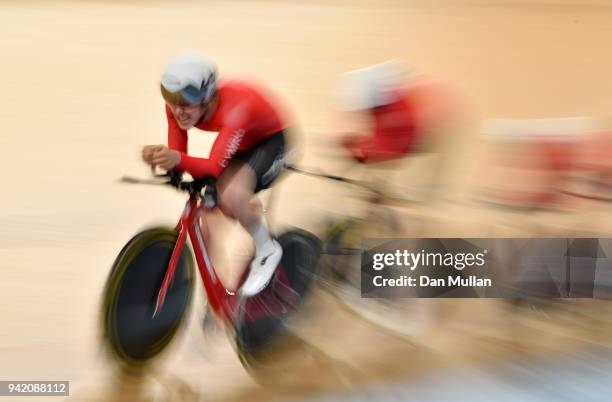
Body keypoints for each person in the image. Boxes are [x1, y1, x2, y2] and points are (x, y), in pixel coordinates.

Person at [141, 53, 291, 297]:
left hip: (275, 143)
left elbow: (211, 167)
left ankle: (268, 249)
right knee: (208, 224)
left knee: (232, 195)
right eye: (170, 97)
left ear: (208, 95)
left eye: (187, 99)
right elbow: (178, 155)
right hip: (241, 145)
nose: (179, 109)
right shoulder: (176, 109)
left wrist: (176, 159)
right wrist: (163, 158)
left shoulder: (236, 108)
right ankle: (215, 295)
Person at [335, 60, 419, 164]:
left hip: (397, 144)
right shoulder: (387, 103)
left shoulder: (388, 109)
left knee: (350, 143)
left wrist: (360, 152)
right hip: (393, 139)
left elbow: (391, 141)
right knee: (349, 141)